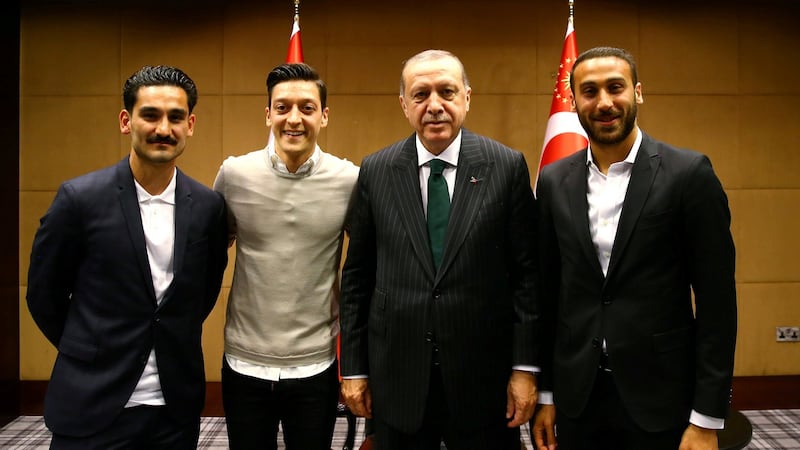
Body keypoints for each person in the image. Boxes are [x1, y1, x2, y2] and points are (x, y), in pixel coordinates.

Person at [532, 46, 737, 450]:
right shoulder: (554, 181)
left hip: (661, 397)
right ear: (573, 102)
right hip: (578, 399)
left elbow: (717, 302)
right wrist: (548, 394)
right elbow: (548, 295)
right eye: (589, 91)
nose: (604, 102)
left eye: (615, 87)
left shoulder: (689, 174)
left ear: (637, 93)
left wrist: (707, 418)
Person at [339, 49, 539, 449]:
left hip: (484, 381)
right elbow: (357, 279)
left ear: (467, 96)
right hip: (397, 380)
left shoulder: (506, 166)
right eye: (420, 94)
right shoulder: (376, 170)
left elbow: (527, 278)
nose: (434, 106)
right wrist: (355, 369)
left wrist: (525, 369)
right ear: (403, 104)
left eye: (447, 92)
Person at [26, 65, 229, 448]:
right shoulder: (79, 199)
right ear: (126, 120)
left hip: (174, 408)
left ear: (191, 124)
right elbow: (43, 295)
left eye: (176, 117)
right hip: (92, 403)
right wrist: (89, 346)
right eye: (150, 115)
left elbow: (202, 294)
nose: (163, 129)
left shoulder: (208, 207)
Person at [213, 62, 359, 450]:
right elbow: (210, 255)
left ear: (324, 116)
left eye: (307, 108)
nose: (294, 119)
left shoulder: (350, 180)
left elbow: (365, 272)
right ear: (268, 114)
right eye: (282, 107)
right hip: (244, 363)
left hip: (316, 366)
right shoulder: (234, 174)